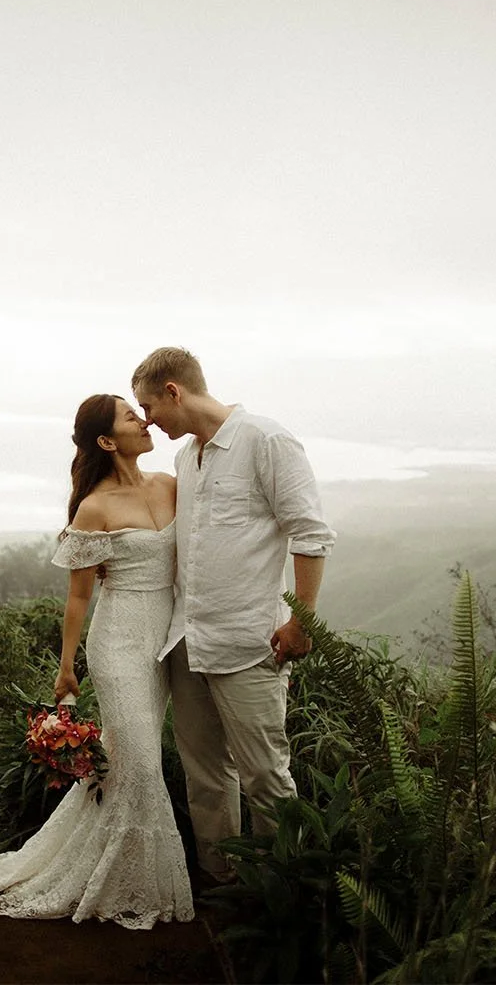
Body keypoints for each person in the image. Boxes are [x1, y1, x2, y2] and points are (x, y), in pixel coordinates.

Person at [0, 395, 193, 930]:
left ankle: (114, 868)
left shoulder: (171, 485)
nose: (144, 420)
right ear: (106, 441)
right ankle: (125, 883)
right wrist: (67, 667)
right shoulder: (95, 507)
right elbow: (79, 596)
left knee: (128, 762)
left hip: (165, 641)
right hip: (118, 643)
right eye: (130, 416)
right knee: (141, 764)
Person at [129, 348, 334, 883]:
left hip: (248, 641)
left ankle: (281, 892)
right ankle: (222, 882)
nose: (148, 421)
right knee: (205, 777)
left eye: (149, 407)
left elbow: (310, 534)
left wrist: (302, 621)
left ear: (174, 391)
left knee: (265, 776)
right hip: (186, 642)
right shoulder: (185, 458)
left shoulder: (266, 440)